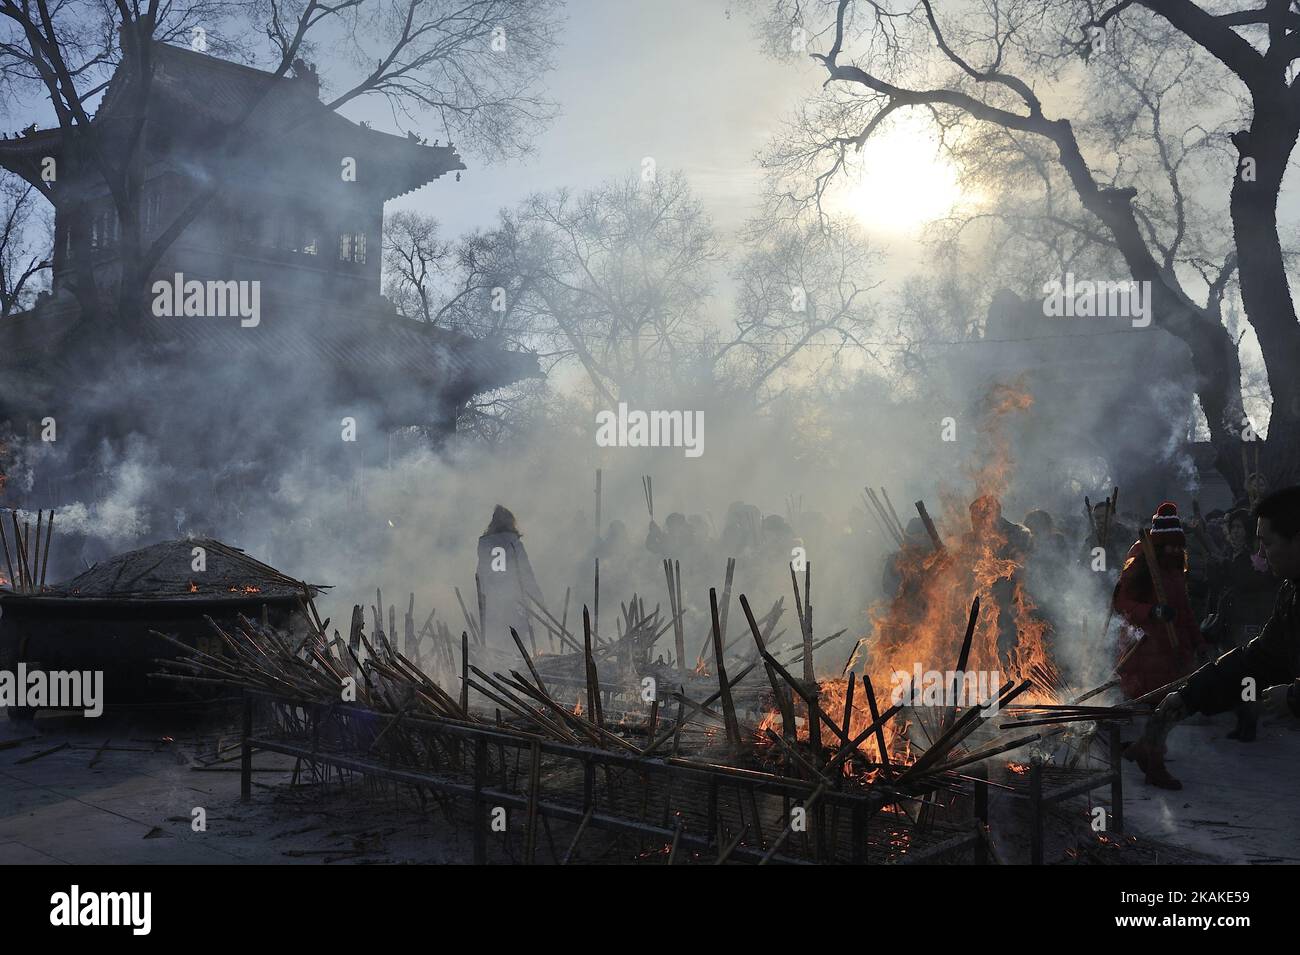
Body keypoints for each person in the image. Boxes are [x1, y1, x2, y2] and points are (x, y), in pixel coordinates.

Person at [1125, 486, 1300, 789]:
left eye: (1266, 543)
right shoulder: (1291, 592)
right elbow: (1258, 660)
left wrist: (1297, 697)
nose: (1259, 553)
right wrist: (1188, 695)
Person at [1112, 502, 1204, 703]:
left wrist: (1198, 642)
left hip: (1176, 651)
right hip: (1146, 650)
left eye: (1178, 546)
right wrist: (1152, 611)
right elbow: (1122, 603)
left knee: (1174, 706)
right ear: (1160, 545)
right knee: (1148, 707)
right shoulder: (1141, 567)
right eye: (1170, 545)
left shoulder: (1176, 569)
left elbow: (1185, 610)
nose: (1174, 550)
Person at [475, 505, 544, 646]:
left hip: (492, 603)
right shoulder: (514, 544)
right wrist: (538, 599)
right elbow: (526, 573)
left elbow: (481, 575)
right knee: (517, 644)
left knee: (499, 643)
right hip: (515, 603)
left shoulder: (485, 545)